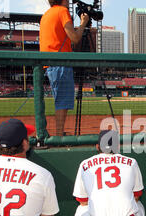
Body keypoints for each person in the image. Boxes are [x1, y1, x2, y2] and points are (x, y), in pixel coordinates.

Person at [72, 130, 146, 216]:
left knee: (80, 210)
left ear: (97, 147)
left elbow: (82, 201)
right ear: (117, 146)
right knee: (139, 206)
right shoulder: (131, 162)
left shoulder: (85, 165)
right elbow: (137, 196)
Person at [39, 0, 90, 136]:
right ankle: (59, 135)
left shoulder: (47, 14)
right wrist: (83, 23)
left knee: (61, 100)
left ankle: (59, 133)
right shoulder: (62, 11)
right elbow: (75, 38)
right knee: (62, 101)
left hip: (50, 62)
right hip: (60, 62)